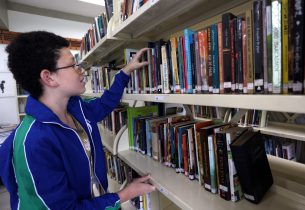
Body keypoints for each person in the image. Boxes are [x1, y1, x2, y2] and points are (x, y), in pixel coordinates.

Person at [0, 31, 155, 210]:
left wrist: (125, 71)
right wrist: (125, 194)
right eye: (73, 65)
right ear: (49, 77)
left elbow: (105, 105)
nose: (82, 71)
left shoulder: (76, 108)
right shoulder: (34, 142)